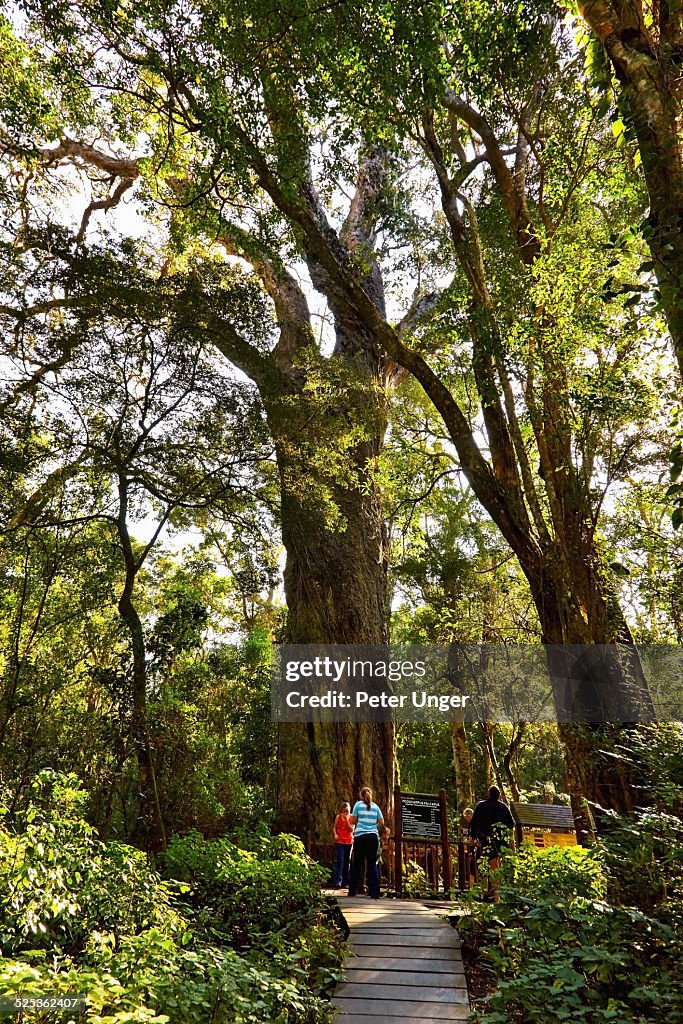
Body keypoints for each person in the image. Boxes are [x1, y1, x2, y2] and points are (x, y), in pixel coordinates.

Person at [470, 786, 514, 898]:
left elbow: (474, 823)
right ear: (498, 795)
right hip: (501, 842)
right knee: (498, 867)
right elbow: (511, 824)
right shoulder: (503, 807)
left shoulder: (481, 806)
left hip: (485, 842)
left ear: (489, 794)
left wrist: (473, 837)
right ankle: (498, 894)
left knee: (484, 866)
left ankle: (485, 893)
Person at [348, 786, 385, 899]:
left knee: (357, 864)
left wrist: (359, 821)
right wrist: (373, 827)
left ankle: (353, 891)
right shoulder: (375, 807)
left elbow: (353, 821)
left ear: (361, 795)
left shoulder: (358, 805)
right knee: (372, 864)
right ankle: (374, 892)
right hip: (373, 837)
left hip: (360, 837)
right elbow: (381, 822)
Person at [332, 800, 354, 888]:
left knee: (347, 861)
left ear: (350, 810)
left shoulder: (352, 817)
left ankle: (346, 881)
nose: (346, 813)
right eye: (344, 811)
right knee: (340, 860)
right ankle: (338, 881)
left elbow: (351, 829)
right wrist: (335, 834)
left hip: (349, 841)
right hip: (340, 841)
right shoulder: (338, 817)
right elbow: (334, 827)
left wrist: (346, 821)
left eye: (347, 811)